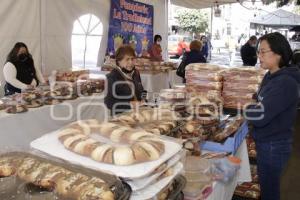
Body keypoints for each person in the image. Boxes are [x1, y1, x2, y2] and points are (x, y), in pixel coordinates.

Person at [245, 32, 300, 200]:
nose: (258, 56)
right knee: (267, 187)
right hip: (266, 141)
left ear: (278, 53)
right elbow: (258, 97)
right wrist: (254, 104)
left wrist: (247, 108)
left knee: (270, 191)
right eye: (258, 52)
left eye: (263, 52)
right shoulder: (271, 75)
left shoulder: (285, 82)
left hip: (274, 145)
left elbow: (260, 116)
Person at [104, 45, 145, 115]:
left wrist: (144, 99)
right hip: (120, 117)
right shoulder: (111, 77)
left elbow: (142, 91)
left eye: (132, 59)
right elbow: (109, 103)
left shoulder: (136, 73)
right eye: (127, 59)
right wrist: (130, 104)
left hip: (137, 114)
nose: (131, 62)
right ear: (118, 61)